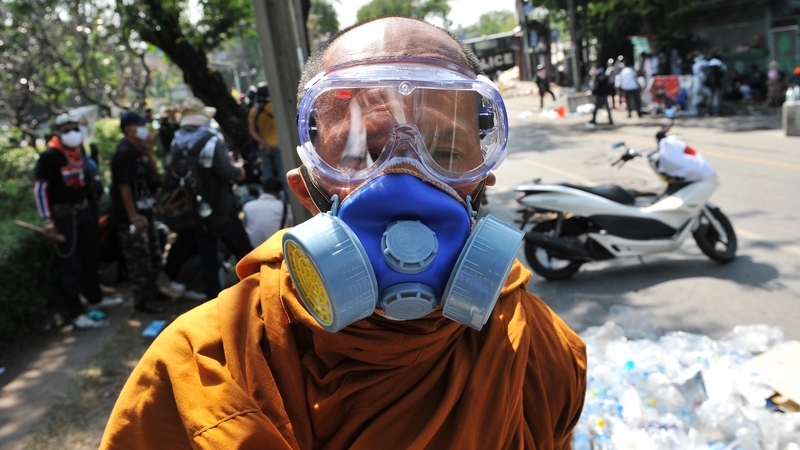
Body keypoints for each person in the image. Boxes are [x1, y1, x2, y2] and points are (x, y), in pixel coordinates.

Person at [101, 17, 586, 449]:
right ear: (305, 189)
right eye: (359, 153)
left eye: (443, 151)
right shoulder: (204, 367)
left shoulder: (538, 353)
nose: (406, 180)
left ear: (481, 182)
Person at [34, 113, 123, 329]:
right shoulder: (49, 157)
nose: (73, 133)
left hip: (84, 212)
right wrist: (48, 221)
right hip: (64, 218)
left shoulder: (79, 151)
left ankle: (95, 298)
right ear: (58, 133)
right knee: (71, 266)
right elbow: (40, 189)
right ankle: (75, 312)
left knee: (90, 257)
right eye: (67, 130)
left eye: (75, 128)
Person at [168, 96, 253, 301]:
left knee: (208, 259)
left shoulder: (176, 142)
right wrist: (239, 173)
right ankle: (257, 293)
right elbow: (225, 171)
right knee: (244, 252)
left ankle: (214, 306)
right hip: (221, 207)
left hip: (195, 211)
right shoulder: (212, 139)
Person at [109, 110, 165, 314]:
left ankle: (154, 291)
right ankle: (143, 301)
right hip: (132, 217)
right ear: (129, 129)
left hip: (146, 210)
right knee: (139, 260)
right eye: (140, 125)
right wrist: (133, 217)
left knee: (153, 253)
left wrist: (149, 149)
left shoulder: (138, 150)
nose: (145, 129)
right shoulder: (124, 154)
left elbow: (153, 172)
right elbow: (124, 188)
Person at [247, 81, 287, 192]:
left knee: (267, 175)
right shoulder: (275, 106)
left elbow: (251, 130)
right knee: (283, 173)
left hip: (264, 147)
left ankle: (268, 197)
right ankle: (289, 199)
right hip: (279, 145)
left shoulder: (253, 111)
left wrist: (263, 142)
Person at [242, 177, 294, 248]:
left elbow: (246, 228)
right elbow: (291, 227)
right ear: (280, 193)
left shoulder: (247, 207)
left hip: (254, 251)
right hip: (278, 249)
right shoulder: (284, 207)